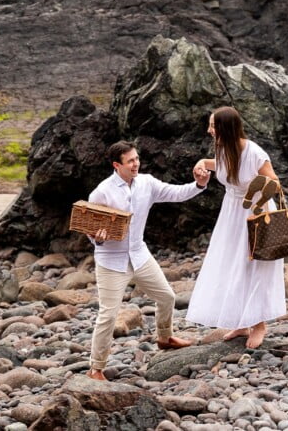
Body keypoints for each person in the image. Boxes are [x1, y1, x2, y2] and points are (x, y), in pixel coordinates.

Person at [85, 140, 211, 381]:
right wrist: (97, 238)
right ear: (116, 165)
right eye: (130, 161)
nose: (136, 164)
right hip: (111, 261)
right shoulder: (101, 192)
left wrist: (199, 184)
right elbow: (90, 230)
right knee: (108, 315)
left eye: (137, 159)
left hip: (139, 254)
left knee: (167, 297)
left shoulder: (147, 183)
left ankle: (165, 338)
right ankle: (96, 369)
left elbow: (176, 193)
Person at [187, 106, 285, 349]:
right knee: (232, 265)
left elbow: (274, 183)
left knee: (255, 266)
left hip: (256, 212)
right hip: (231, 214)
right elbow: (218, 166)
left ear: (226, 129)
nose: (208, 130)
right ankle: (240, 322)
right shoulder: (222, 148)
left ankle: (259, 324)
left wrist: (254, 194)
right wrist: (202, 163)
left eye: (212, 126)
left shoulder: (253, 152)